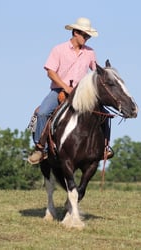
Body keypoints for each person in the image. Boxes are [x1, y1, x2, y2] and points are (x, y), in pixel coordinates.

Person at [28, 17, 112, 165]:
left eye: (88, 36)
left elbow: (96, 70)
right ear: (75, 32)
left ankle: (105, 147)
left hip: (81, 94)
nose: (86, 38)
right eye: (84, 35)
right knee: (42, 112)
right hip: (59, 90)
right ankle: (41, 148)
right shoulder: (58, 49)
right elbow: (51, 72)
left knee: (104, 114)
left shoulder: (90, 52)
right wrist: (65, 87)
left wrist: (106, 73)